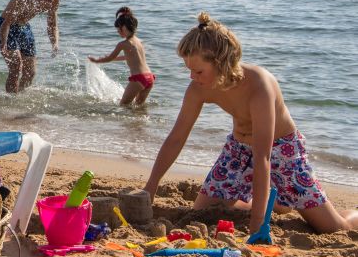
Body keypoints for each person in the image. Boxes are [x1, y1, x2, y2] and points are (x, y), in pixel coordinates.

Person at [144, 12, 358, 235]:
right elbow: (177, 137)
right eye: (188, 69)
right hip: (237, 151)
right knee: (206, 212)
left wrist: (258, 224)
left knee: (332, 228)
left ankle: (347, 213)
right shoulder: (198, 88)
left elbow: (263, 156)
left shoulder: (259, 85)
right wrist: (152, 185)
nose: (191, 76)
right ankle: (273, 203)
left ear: (221, 64)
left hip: (282, 151)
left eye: (198, 71)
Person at [0, 0, 63, 93]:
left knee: (30, 72)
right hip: (6, 26)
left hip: (24, 27)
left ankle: (19, 98)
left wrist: (55, 43)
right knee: (16, 67)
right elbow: (7, 22)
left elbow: (52, 24)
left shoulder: (54, 1)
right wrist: (3, 42)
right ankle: (10, 101)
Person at [89, 6, 154, 106]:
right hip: (149, 77)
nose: (117, 32)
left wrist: (97, 60)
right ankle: (140, 121)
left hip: (139, 79)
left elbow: (109, 58)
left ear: (123, 28)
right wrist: (115, 59)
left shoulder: (123, 44)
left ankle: (131, 121)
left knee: (123, 104)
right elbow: (130, 57)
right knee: (139, 106)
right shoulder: (139, 42)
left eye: (118, 29)